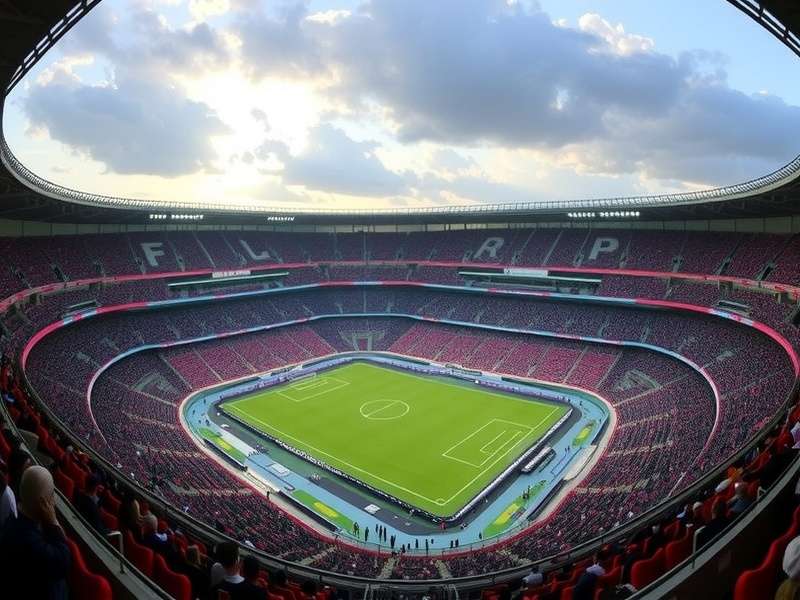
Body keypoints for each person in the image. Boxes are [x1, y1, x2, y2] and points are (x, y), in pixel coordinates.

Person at [0, 465, 70, 599]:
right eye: (52, 494)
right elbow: (64, 561)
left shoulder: (12, 520)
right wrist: (54, 521)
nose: (53, 499)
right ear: (44, 503)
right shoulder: (31, 543)